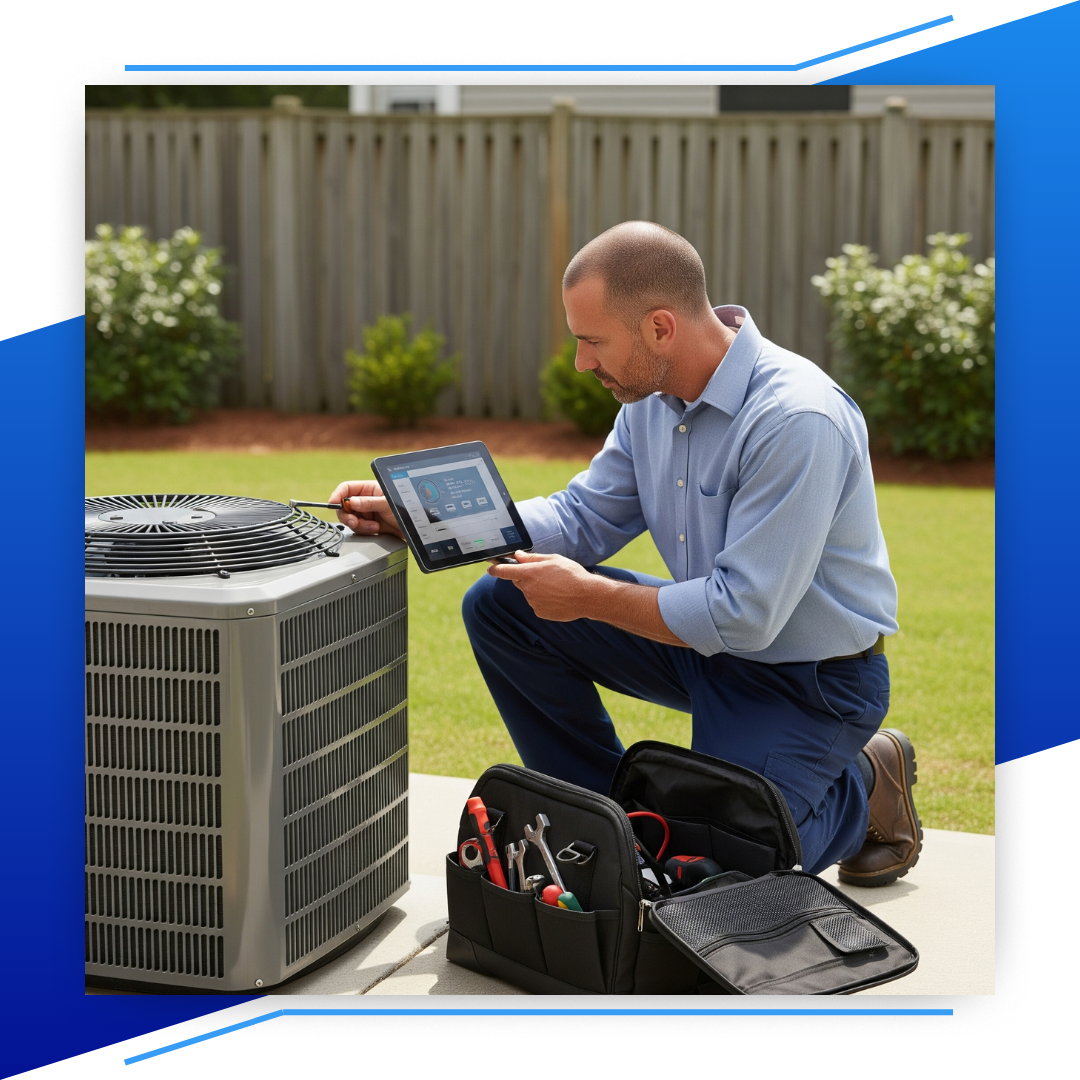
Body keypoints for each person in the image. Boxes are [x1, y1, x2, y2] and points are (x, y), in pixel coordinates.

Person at [333, 221, 922, 886]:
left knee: (721, 868)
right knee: (505, 605)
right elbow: (584, 517)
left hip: (809, 680)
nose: (583, 362)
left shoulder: (795, 419)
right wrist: (425, 518)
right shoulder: (651, 403)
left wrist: (588, 597)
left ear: (660, 328)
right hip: (707, 648)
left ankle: (868, 779)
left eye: (592, 341)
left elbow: (746, 614)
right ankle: (613, 830)